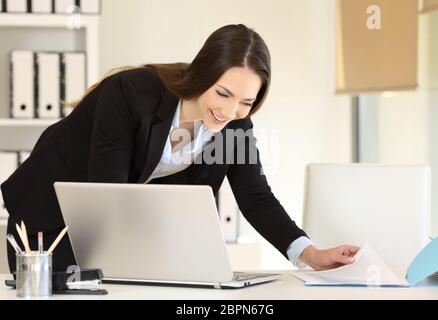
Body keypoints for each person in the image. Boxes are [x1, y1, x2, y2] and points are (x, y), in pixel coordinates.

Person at [1, 24, 359, 273]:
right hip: (49, 221)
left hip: (119, 227)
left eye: (246, 102)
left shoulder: (233, 125)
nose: (229, 112)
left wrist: (308, 253)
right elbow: (108, 195)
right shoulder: (131, 93)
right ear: (203, 73)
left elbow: (255, 197)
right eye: (223, 93)